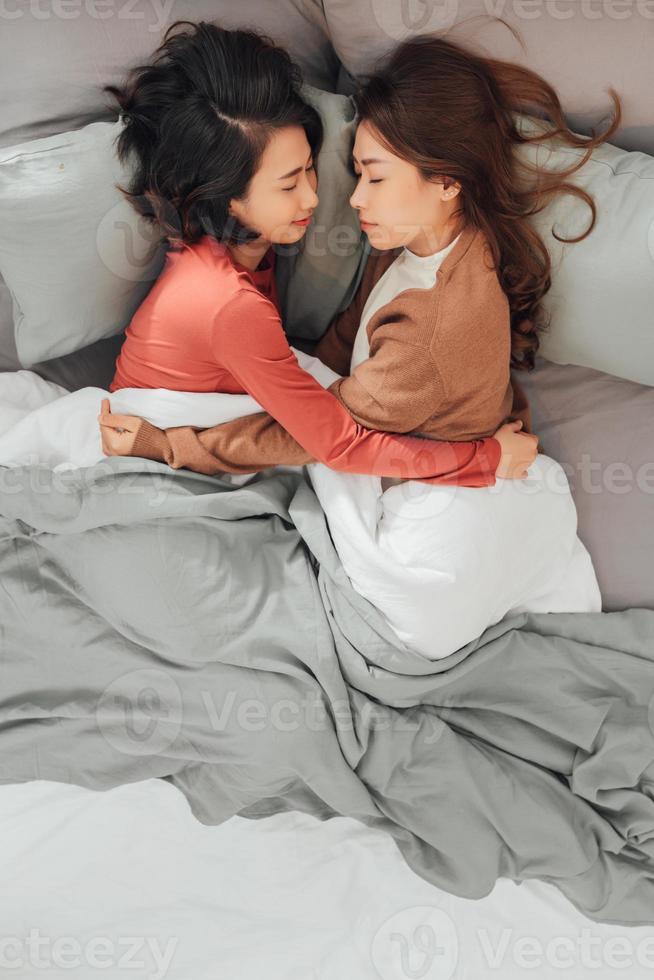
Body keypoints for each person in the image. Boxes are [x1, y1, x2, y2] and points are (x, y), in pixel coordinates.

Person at [98, 20, 536, 489]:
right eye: (288, 184)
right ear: (227, 196)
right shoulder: (227, 301)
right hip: (158, 440)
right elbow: (341, 443)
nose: (314, 198)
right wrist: (486, 460)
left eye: (310, 168)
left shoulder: (253, 243)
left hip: (232, 416)